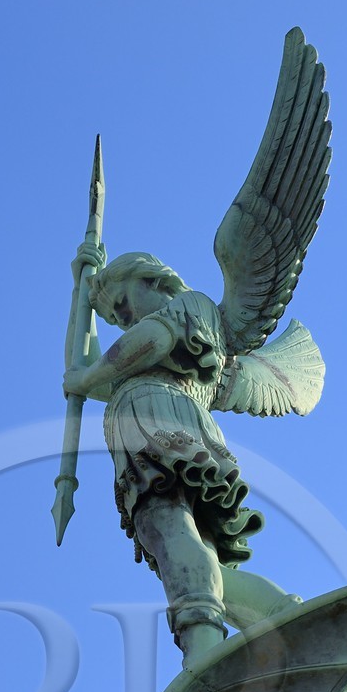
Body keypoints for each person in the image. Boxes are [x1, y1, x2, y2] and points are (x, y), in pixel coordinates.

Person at [63, 248, 296, 665]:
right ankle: (280, 615)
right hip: (162, 417)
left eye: (122, 304)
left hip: (154, 417)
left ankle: (205, 648)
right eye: (114, 319)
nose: (123, 320)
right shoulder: (157, 341)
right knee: (188, 547)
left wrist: (88, 375)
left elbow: (147, 343)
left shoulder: (188, 307)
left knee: (166, 526)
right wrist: (80, 291)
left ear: (151, 279)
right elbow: (83, 371)